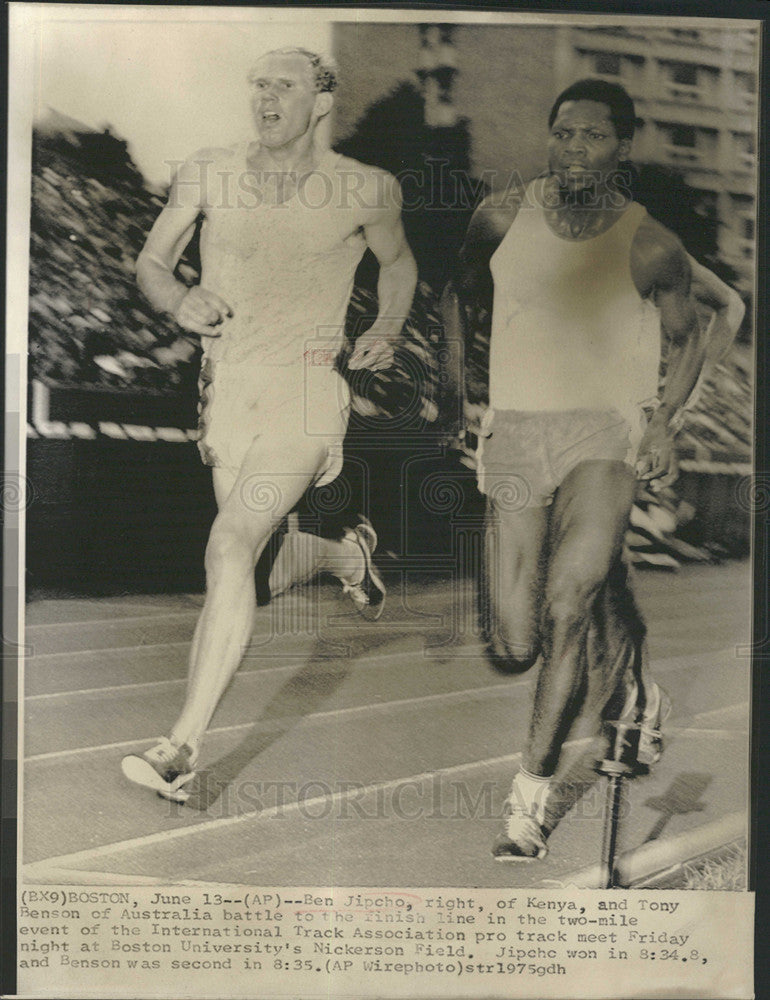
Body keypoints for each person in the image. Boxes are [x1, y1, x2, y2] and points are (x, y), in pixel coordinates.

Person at [441, 78, 745, 860]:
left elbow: (688, 335)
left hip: (603, 440)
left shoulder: (650, 245)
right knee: (511, 644)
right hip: (513, 435)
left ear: (622, 147)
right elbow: (456, 292)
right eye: (562, 133)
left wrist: (665, 424)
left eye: (591, 136)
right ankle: (630, 661)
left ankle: (528, 801)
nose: (573, 148)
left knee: (567, 603)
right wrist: (457, 395)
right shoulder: (501, 216)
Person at [121, 47, 417, 802]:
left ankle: (181, 747)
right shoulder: (208, 171)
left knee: (228, 544)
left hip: (309, 392)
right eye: (257, 85)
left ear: (320, 101)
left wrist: (385, 326)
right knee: (246, 568)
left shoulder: (364, 187)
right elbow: (152, 261)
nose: (265, 98)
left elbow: (400, 264)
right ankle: (341, 557)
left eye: (283, 86)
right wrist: (175, 298)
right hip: (231, 391)